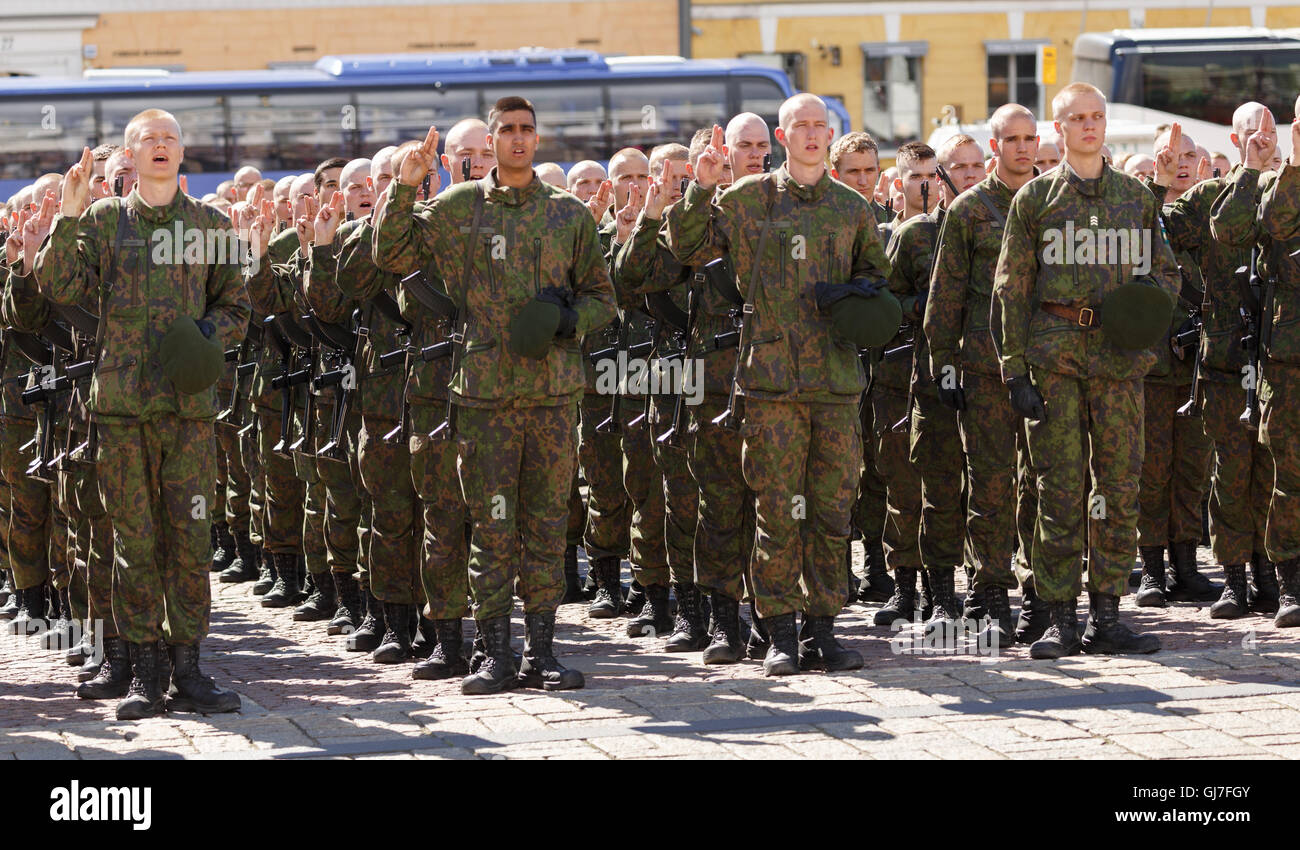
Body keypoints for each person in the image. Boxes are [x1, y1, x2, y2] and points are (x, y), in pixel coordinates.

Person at [375, 97, 617, 693]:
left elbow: (603, 300)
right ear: (491, 138)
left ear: (537, 139)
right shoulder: (459, 207)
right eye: (506, 130)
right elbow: (391, 253)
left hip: (553, 396)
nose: (516, 139)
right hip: (484, 399)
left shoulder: (569, 215)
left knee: (544, 524)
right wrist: (406, 187)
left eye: (526, 130)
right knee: (490, 526)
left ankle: (542, 652)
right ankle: (493, 655)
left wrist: (567, 322)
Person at [32, 109, 250, 717]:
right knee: (132, 541)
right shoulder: (103, 221)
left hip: (187, 412)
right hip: (123, 411)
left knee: (189, 538)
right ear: (128, 157)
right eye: (148, 140)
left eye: (170, 139)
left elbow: (238, 307)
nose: (160, 147)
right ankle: (139, 671)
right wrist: (68, 215)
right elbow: (57, 286)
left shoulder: (212, 225)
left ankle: (189, 669)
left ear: (183, 154)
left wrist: (204, 334)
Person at [666, 94, 891, 675]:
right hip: (770, 383)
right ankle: (782, 634)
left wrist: (857, 295)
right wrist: (699, 187)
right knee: (775, 509)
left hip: (836, 383)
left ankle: (823, 630)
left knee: (832, 509)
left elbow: (876, 276)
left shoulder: (851, 207)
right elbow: (686, 248)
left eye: (822, 126)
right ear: (783, 136)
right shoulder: (746, 200)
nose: (813, 135)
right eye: (802, 127)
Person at [992, 82, 1181, 659]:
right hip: (1056, 358)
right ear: (1060, 129)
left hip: (1120, 362)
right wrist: (1013, 370)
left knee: (1120, 486)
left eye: (1097, 116)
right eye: (1078, 118)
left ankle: (1107, 612)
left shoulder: (1135, 198)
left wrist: (1140, 318)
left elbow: (1166, 275)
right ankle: (1058, 616)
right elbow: (1011, 288)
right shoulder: (1036, 200)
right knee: (1059, 488)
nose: (1090, 126)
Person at [925, 103, 1043, 645]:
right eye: (1011, 139)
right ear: (995, 146)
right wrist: (943, 364)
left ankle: (1045, 590)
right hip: (985, 364)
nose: (1022, 148)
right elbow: (945, 294)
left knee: (1048, 482)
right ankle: (991, 589)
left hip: (1050, 361)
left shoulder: (1055, 202)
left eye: (1029, 138)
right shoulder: (970, 209)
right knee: (992, 483)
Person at [1134, 124, 1218, 607]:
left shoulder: (1212, 211)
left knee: (1191, 467)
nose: (1181, 162)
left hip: (1199, 363)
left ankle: (1187, 564)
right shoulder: (1143, 208)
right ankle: (1151, 568)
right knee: (1152, 469)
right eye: (1170, 154)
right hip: (1152, 361)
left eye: (1189, 154)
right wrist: (1157, 187)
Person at [828, 131, 893, 603]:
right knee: (841, 471)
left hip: (884, 365)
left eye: (870, 170)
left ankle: (876, 561)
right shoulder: (825, 220)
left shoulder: (891, 222)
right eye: (854, 171)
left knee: (879, 467)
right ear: (837, 174)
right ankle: (838, 568)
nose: (864, 180)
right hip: (835, 360)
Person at [1253, 102, 1300, 627]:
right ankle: (1290, 581)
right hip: (1291, 359)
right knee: (1291, 475)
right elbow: (1273, 225)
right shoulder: (1282, 184)